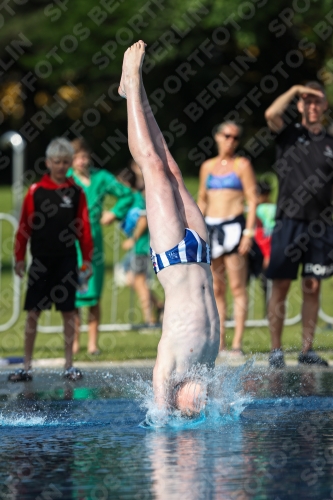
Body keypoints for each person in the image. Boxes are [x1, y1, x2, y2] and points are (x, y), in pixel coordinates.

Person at [119, 41, 220, 415]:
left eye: (196, 406)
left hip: (174, 255)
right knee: (172, 169)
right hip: (200, 252)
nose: (202, 403)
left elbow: (158, 416)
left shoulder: (169, 372)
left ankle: (132, 83)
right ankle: (133, 87)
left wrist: (162, 414)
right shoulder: (201, 374)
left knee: (153, 168)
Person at [10, 138, 93, 382]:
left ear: (70, 164)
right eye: (56, 162)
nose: (60, 166)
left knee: (69, 312)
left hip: (67, 260)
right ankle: (26, 365)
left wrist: (86, 259)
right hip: (40, 260)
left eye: (65, 162)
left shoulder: (76, 192)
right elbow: (24, 226)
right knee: (33, 312)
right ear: (48, 162)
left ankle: (69, 365)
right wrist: (18, 257)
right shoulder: (36, 191)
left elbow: (84, 228)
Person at [265, 82, 333, 368]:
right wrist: (294, 90)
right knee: (280, 284)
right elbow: (271, 114)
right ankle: (276, 350)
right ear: (301, 106)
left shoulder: (330, 143)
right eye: (308, 101)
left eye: (318, 102)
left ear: (325, 106)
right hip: (289, 219)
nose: (313, 106)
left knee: (312, 285)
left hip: (320, 223)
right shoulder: (289, 134)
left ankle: (306, 350)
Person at [67, 139, 133, 355]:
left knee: (93, 295)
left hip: (93, 244)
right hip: (70, 243)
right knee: (74, 296)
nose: (82, 161)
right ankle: (74, 343)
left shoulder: (101, 177)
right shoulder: (66, 179)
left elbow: (126, 194)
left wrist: (113, 213)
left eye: (85, 156)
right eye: (77, 157)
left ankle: (93, 344)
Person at [197, 122, 257, 358]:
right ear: (217, 136)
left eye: (235, 137)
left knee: (237, 287)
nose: (231, 140)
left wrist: (248, 232)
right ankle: (220, 342)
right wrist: (195, 228)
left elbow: (252, 200)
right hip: (212, 228)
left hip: (233, 227)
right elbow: (202, 199)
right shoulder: (207, 166)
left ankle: (237, 343)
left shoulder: (242, 165)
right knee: (217, 288)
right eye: (227, 136)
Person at [118, 163, 163, 325]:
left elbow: (143, 220)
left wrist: (133, 239)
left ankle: (149, 320)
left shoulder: (138, 198)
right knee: (132, 280)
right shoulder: (131, 199)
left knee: (139, 281)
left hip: (141, 247)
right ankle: (159, 306)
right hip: (138, 248)